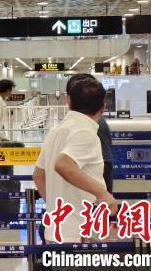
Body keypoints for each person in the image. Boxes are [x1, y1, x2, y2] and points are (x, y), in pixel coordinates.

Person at [33, 74, 116, 244]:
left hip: (57, 231)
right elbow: (63, 164)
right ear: (103, 107)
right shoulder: (85, 132)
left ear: (69, 102)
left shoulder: (55, 131)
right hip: (80, 234)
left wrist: (56, 208)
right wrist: (102, 193)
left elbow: (38, 175)